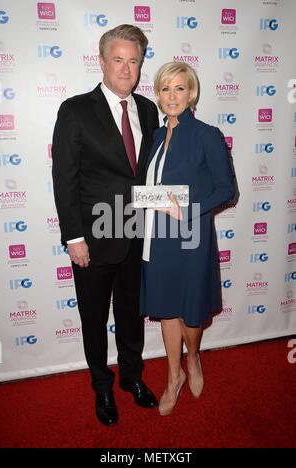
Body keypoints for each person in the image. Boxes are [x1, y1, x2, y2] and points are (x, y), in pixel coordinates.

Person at [52, 24, 159, 425]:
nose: (126, 69)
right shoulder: (76, 110)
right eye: (118, 60)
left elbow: (147, 177)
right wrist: (74, 237)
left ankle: (131, 377)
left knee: (131, 316)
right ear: (101, 62)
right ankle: (101, 386)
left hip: (136, 237)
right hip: (93, 242)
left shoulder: (148, 110)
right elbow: (65, 178)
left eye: (134, 61)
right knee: (94, 319)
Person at [140, 62, 235, 416]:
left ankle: (193, 358)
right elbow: (151, 188)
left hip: (192, 236)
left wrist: (188, 209)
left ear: (190, 92)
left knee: (190, 313)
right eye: (166, 89)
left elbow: (227, 189)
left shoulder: (207, 134)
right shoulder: (154, 136)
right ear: (159, 94)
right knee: (166, 308)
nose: (172, 96)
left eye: (180, 88)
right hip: (158, 236)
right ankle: (173, 375)